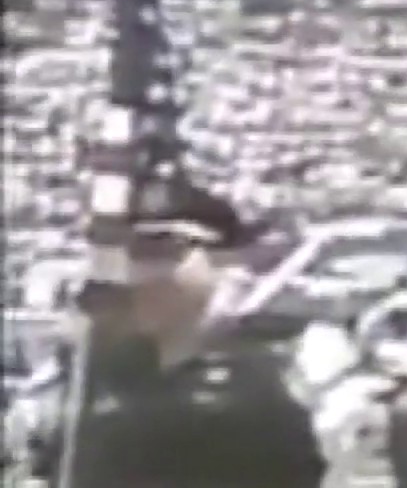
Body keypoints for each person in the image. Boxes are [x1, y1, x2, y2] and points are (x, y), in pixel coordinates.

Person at [36, 173, 327, 488]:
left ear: (221, 263)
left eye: (160, 251)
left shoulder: (260, 391)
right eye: (119, 255)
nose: (137, 275)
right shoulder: (76, 385)